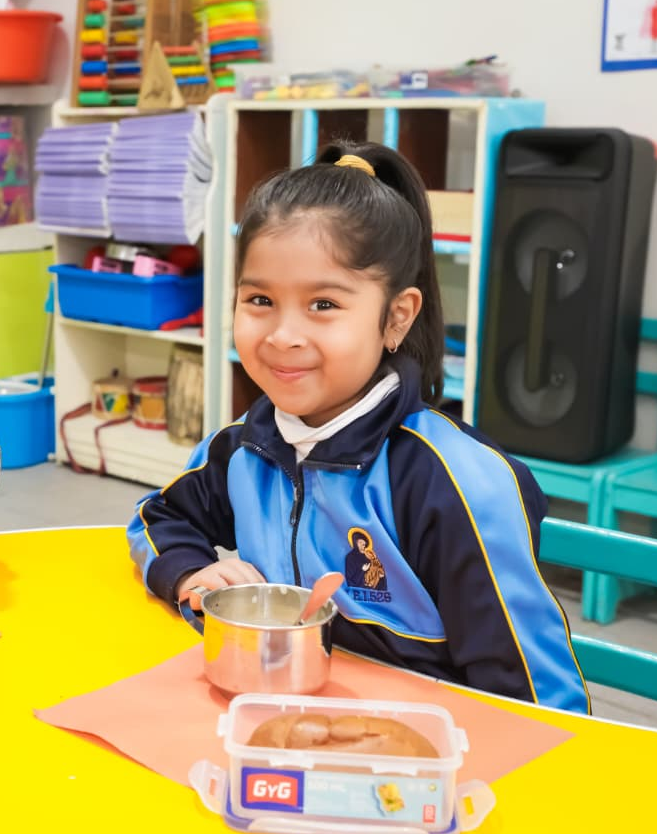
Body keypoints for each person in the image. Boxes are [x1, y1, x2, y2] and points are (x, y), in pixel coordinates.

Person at [127, 142, 589, 712]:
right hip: (280, 725)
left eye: (323, 304)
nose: (282, 335)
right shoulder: (248, 443)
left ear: (396, 317)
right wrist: (190, 573)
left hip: (421, 760)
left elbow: (539, 701)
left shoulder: (454, 482)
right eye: (260, 299)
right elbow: (158, 517)